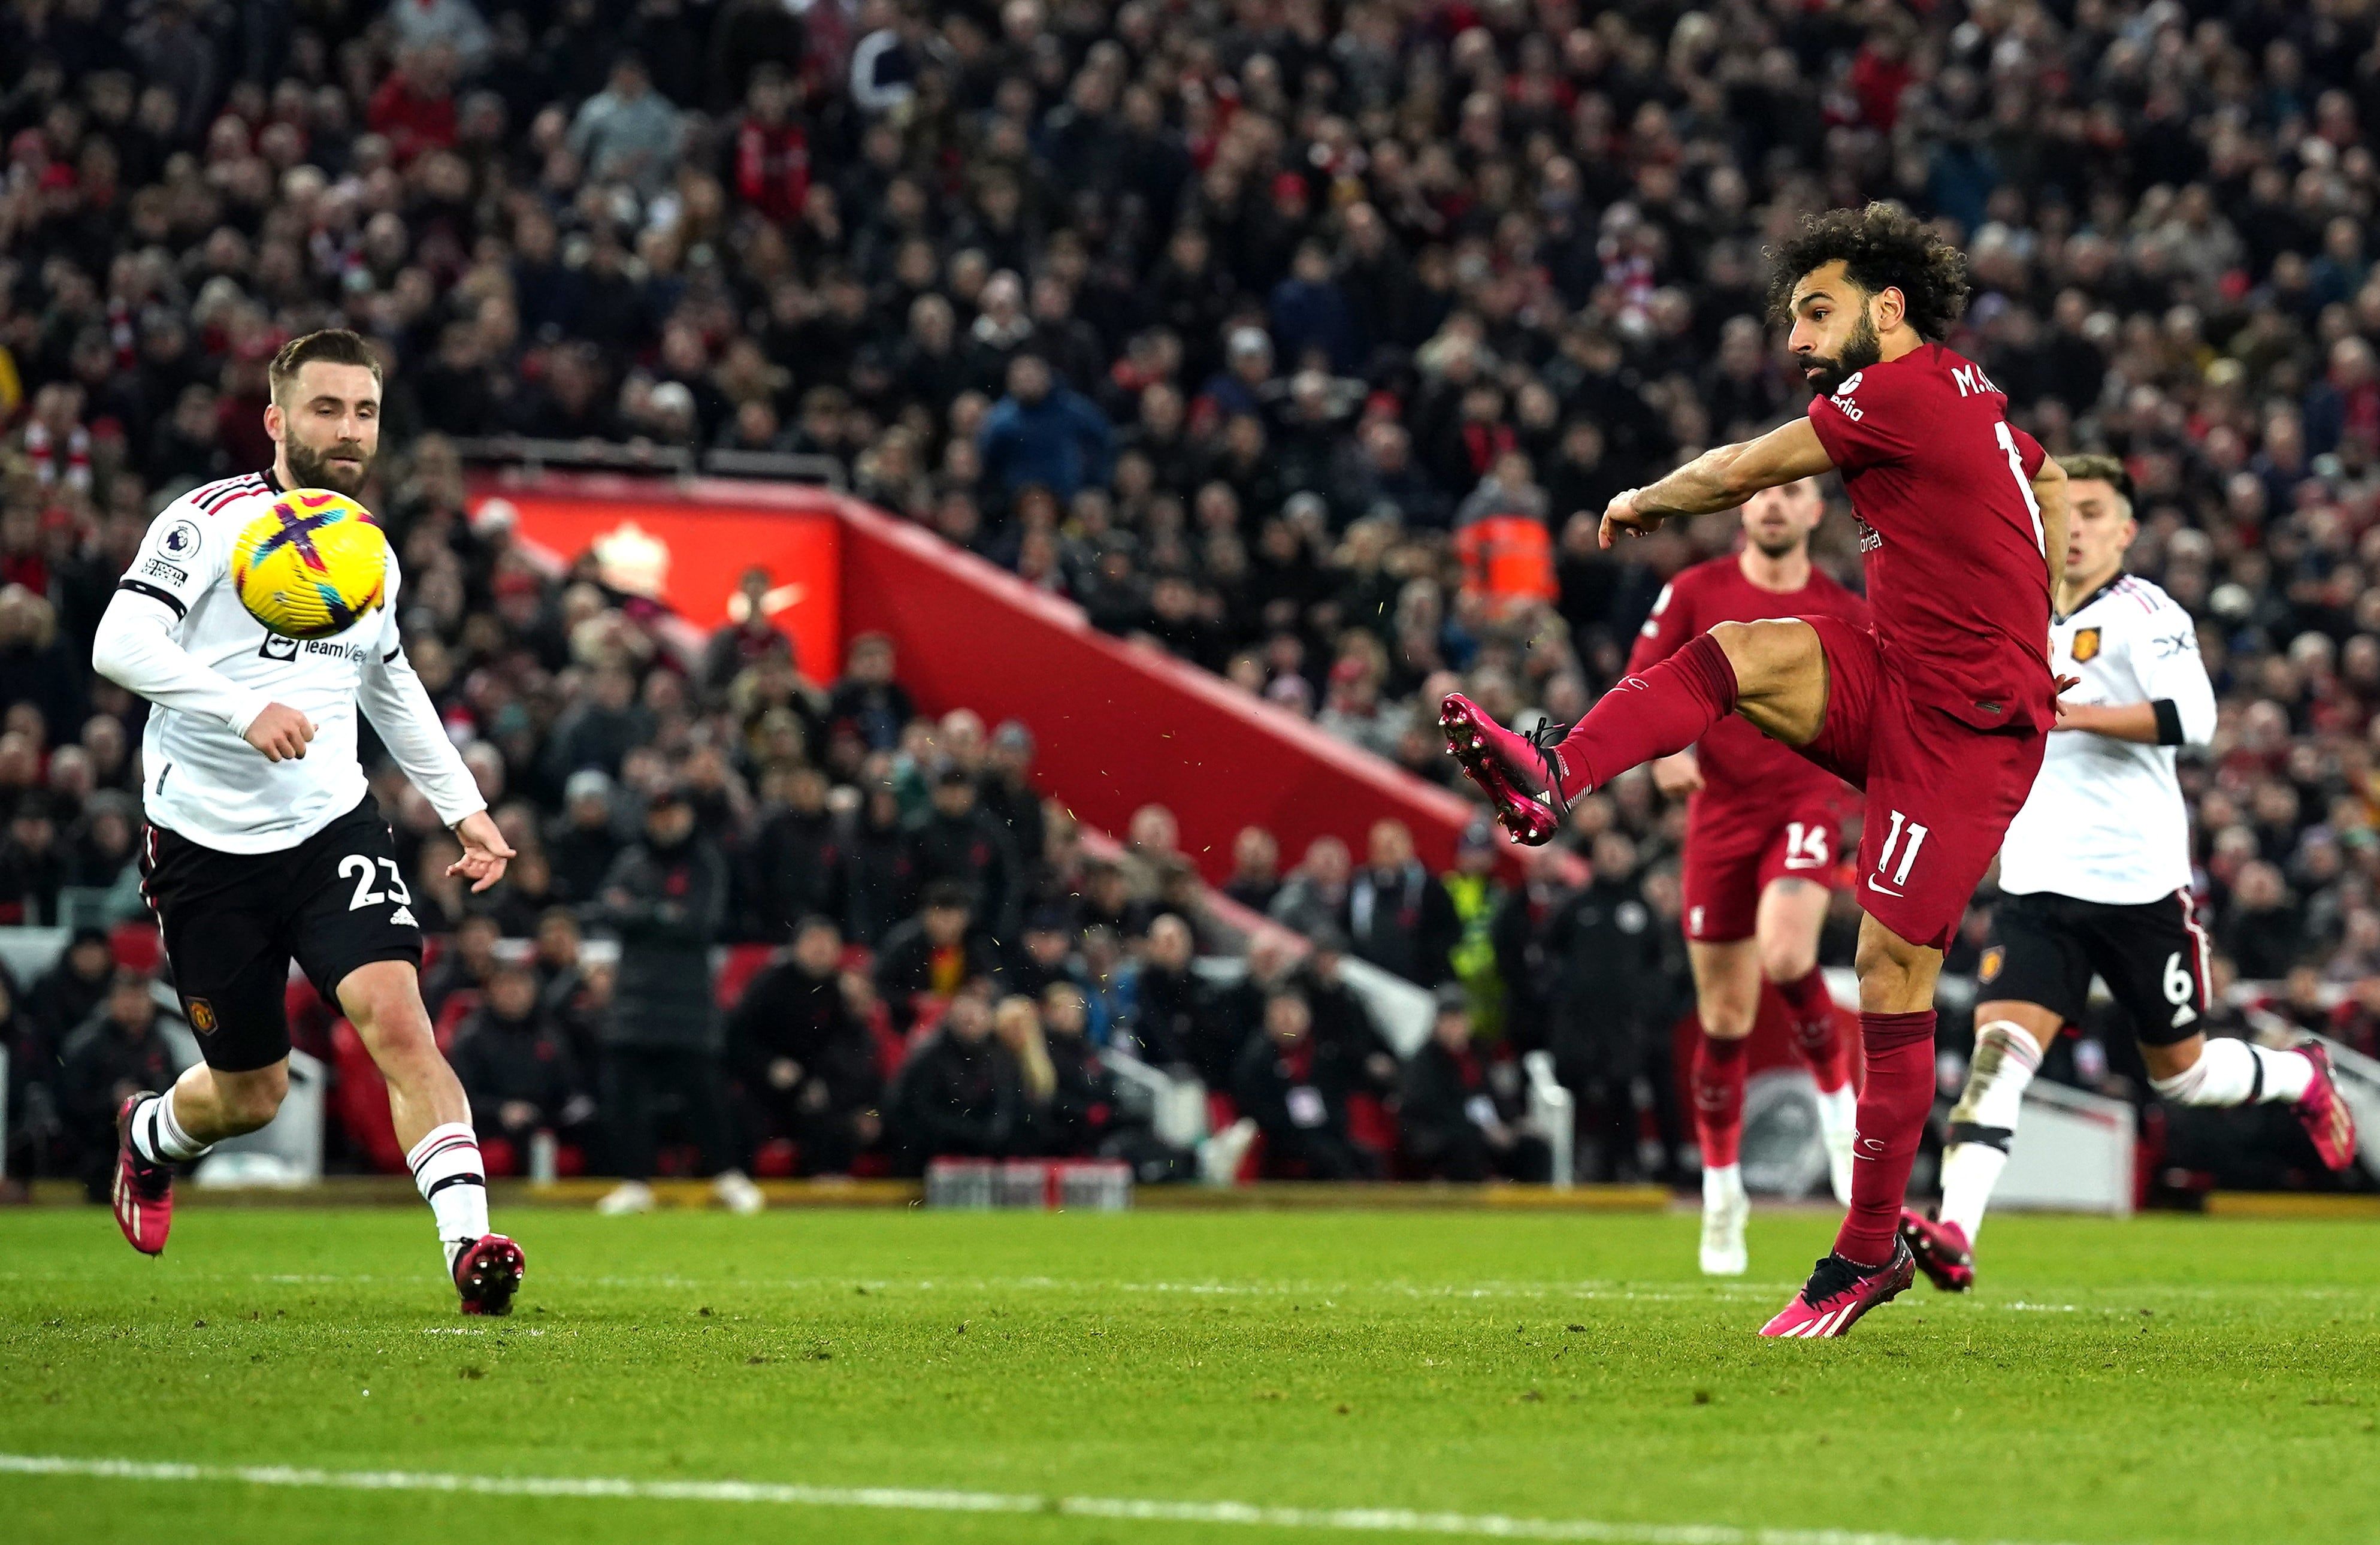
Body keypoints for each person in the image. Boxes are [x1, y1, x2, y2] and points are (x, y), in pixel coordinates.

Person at [1442, 205, 2072, 1336]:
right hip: (1904, 675)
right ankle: (1552, 774)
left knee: (1888, 966)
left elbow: (1742, 468)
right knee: (1738, 651)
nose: (1796, 335)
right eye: (1791, 315)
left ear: (1886, 308)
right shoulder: (1961, 391)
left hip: (1966, 727)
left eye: (1814, 310)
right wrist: (2041, 604)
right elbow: (2037, 472)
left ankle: (1865, 1250)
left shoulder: (1896, 391)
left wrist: (1640, 499)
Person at [89, 328, 525, 1313]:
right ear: (278, 419)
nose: (348, 429)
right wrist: (242, 707)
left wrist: (465, 808)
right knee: (252, 1092)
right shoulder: (208, 521)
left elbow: (390, 678)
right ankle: (150, 1134)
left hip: (333, 827)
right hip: (206, 843)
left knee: (401, 1024)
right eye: (326, 408)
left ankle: (470, 1245)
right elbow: (119, 639)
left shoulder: (366, 547)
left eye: (364, 411)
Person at [1904, 457, 2357, 1290]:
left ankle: (2299, 1073)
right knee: (1997, 1054)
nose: (2071, 524)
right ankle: (1956, 1228)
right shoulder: (2014, 613)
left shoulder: (2147, 612)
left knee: (2181, 1074)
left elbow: (2196, 718)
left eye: (2092, 511)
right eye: (2060, 510)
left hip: (2139, 886)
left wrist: (2066, 709)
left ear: (2124, 530)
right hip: (2038, 885)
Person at [1629, 477, 1868, 1275]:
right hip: (1718, 817)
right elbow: (1641, 682)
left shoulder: (1842, 606)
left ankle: (1840, 1106)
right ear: (1742, 510)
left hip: (1803, 799)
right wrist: (1669, 752)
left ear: (1811, 512)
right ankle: (1722, 1191)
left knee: (1788, 952)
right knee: (1725, 1017)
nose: (1772, 502)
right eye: (1760, 492)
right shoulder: (1694, 592)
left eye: (1791, 489)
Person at [583, 783, 763, 1215]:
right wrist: (662, 911)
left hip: (688, 1004)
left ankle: (727, 1175)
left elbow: (700, 922)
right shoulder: (631, 860)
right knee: (626, 1096)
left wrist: (640, 912)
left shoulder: (705, 861)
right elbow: (607, 909)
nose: (667, 821)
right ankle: (634, 1182)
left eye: (674, 812)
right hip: (633, 1002)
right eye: (659, 813)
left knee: (705, 1097)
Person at [729, 915, 883, 1175]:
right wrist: (769, 1066)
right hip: (765, 1086)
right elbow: (737, 1038)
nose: (821, 950)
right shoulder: (770, 984)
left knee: (836, 1120)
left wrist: (824, 1082)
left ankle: (826, 1188)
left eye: (828, 943)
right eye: (814, 941)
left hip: (819, 1088)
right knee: (741, 1118)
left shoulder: (842, 992)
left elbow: (856, 1051)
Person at [448, 960, 595, 1173]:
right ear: (491, 992)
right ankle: (528, 1199)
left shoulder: (549, 1031)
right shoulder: (472, 1036)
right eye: (506, 986)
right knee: (525, 1129)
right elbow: (461, 1095)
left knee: (595, 1126)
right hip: (492, 1120)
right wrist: (501, 1110)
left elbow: (567, 1084)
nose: (513, 993)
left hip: (545, 1113)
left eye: (521, 986)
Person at [1400, 985, 1551, 1183]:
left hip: (1486, 1131)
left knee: (1534, 1147)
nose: (1456, 1026)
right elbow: (1427, 1109)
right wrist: (1481, 1130)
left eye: (1460, 1019)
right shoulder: (1424, 1063)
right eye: (1450, 1020)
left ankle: (1533, 1206)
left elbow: (1494, 1096)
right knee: (1467, 1143)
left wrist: (1514, 1122)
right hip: (1445, 1135)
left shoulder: (1477, 1054)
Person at [1233, 987, 1380, 1180]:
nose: (1287, 1020)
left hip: (1326, 1132)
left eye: (1292, 1011)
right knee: (1326, 1157)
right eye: (1279, 1013)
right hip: (1280, 1138)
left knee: (1368, 1157)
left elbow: (1338, 1097)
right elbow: (1254, 1106)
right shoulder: (1257, 1059)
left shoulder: (1325, 1053)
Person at [56, 969, 179, 1200]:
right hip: (99, 1148)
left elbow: (173, 1092)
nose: (134, 1005)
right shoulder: (87, 1046)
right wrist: (112, 1100)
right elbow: (69, 1103)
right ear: (111, 1001)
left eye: (140, 997)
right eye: (127, 997)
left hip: (150, 1147)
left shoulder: (161, 1045)